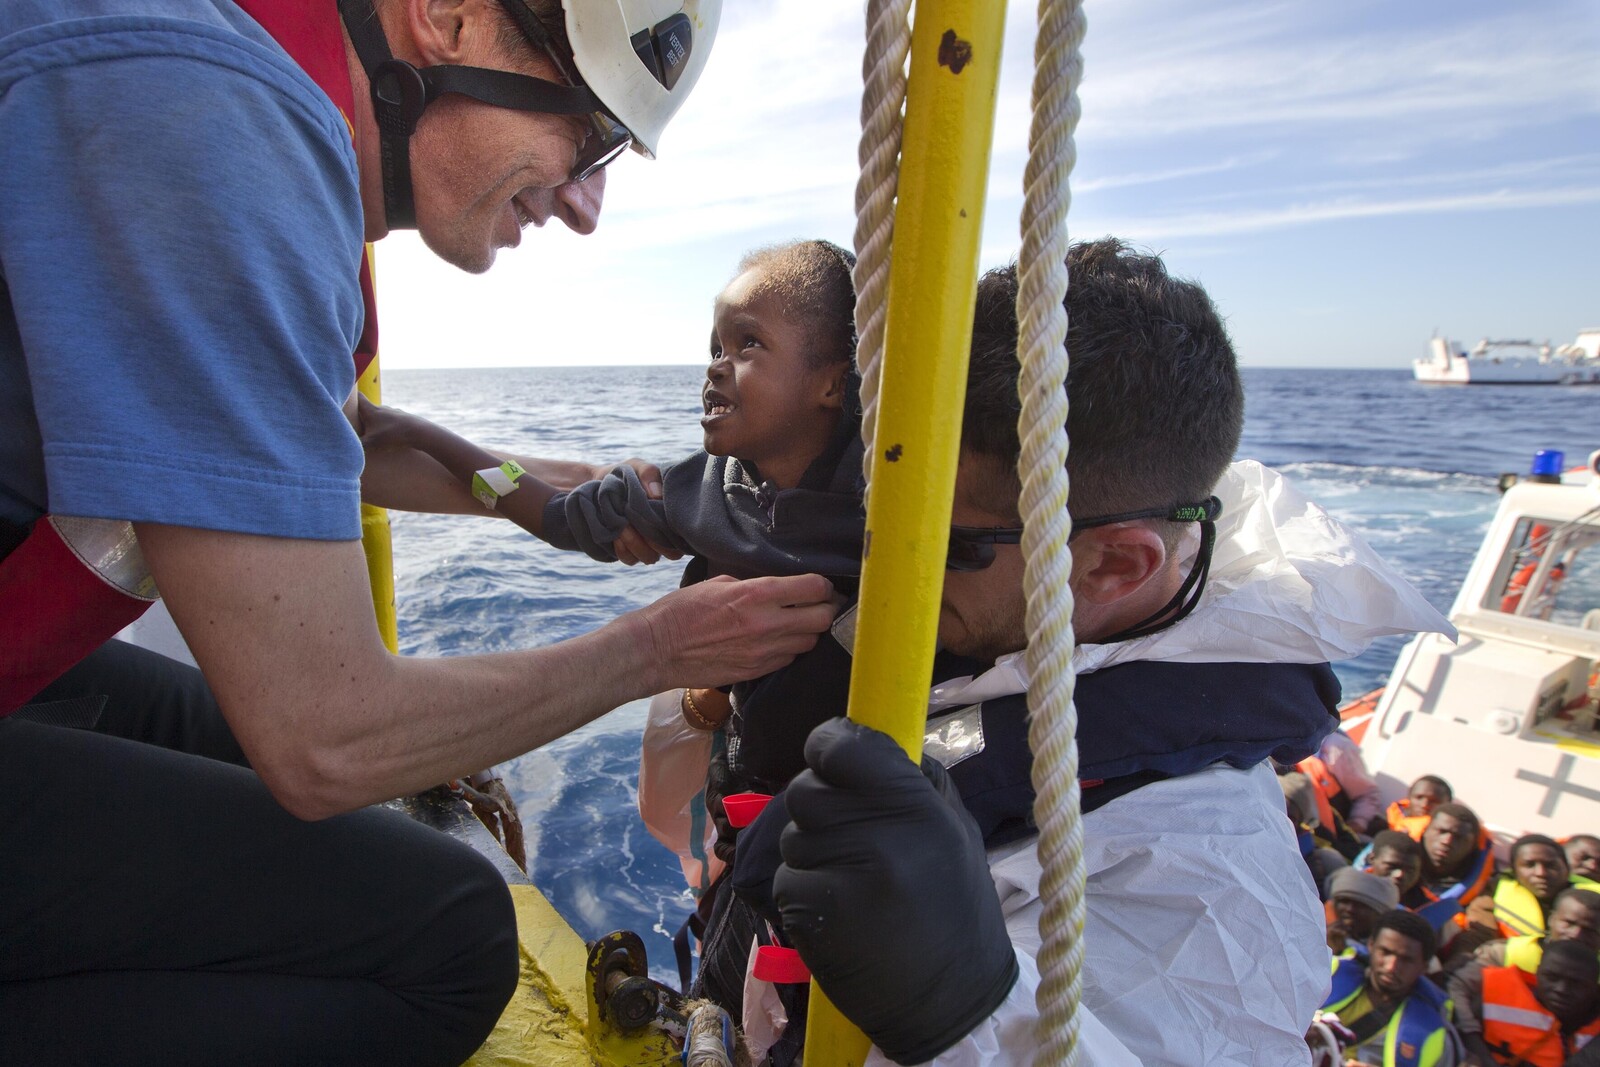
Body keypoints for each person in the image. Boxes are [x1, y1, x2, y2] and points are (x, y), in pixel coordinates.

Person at [0, 2, 843, 1064]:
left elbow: (337, 431)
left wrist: (561, 484)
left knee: (257, 765)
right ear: (447, 17)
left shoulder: (241, 104)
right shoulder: (212, 127)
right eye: (589, 139)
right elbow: (323, 737)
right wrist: (660, 647)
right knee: (449, 929)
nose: (586, 204)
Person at [650, 239, 1453, 1065]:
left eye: (944, 543)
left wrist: (960, 1013)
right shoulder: (998, 625)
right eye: (878, 514)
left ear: (1113, 563)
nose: (889, 567)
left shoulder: (1205, 881)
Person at [357, 237, 866, 756]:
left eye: (748, 344)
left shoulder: (894, 505)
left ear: (831, 384)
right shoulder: (699, 493)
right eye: (715, 348)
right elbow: (557, 517)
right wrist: (425, 434)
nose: (715, 366)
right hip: (755, 794)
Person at [1316, 909, 1459, 1066]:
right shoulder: (1327, 971)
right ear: (1371, 945)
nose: (1391, 967)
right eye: (1385, 952)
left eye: (1406, 960)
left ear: (1424, 967)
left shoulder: (1436, 1036)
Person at [1449, 939, 1600, 1065]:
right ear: (1538, 972)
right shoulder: (1495, 999)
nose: (1561, 989)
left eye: (1576, 984)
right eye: (1551, 977)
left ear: (1595, 987)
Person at [1472, 887, 1600, 973]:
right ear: (1551, 919)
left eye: (1590, 931)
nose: (1576, 935)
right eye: (1568, 923)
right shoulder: (1501, 953)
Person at [1416, 803, 1497, 932]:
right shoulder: (1392, 862)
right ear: (1425, 831)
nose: (1446, 841)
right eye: (1441, 831)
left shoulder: (1485, 893)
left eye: (1459, 838)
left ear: (1472, 847)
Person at [1302, 727, 1383, 837]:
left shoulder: (1334, 749)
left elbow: (1367, 795)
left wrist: (1357, 823)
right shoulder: (1273, 763)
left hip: (1346, 833)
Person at [1328, 868, 1404, 955]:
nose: (1350, 909)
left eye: (1360, 905)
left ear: (1380, 913)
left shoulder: (1394, 948)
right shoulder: (1320, 936)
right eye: (1344, 901)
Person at [1378, 775, 1454, 839]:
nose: (1424, 805)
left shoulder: (1440, 836)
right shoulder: (1394, 814)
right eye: (1419, 797)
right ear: (1409, 797)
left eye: (1434, 801)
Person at [1369, 829, 1429, 902]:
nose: (1399, 875)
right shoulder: (1352, 890)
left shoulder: (1430, 908)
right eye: (1391, 866)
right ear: (1372, 859)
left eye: (1410, 870)